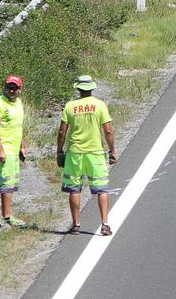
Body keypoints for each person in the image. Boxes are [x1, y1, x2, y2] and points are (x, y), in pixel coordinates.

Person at [56, 75, 117, 236]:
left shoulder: (70, 106)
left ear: (78, 88)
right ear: (92, 88)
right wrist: (112, 151)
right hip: (95, 153)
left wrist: (59, 151)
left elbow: (62, 131)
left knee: (74, 189)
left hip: (75, 153)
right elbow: (108, 130)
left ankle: (76, 225)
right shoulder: (100, 105)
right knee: (101, 189)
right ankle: (104, 224)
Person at [0, 75, 28, 227]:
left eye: (15, 88)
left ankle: (8, 214)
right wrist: (0, 150)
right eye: (9, 87)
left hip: (14, 147)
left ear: (20, 89)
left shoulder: (18, 102)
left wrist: (22, 145)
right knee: (6, 183)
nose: (11, 91)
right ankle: (6, 216)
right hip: (4, 148)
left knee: (11, 182)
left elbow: (19, 125)